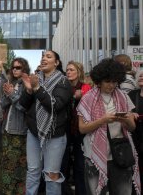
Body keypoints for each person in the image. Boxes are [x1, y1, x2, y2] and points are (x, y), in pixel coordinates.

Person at [77, 58, 140, 195]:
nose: (111, 85)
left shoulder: (123, 97)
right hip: (94, 155)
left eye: (114, 81)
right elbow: (82, 128)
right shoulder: (87, 99)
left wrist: (126, 120)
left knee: (123, 191)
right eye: (107, 81)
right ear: (99, 81)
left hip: (120, 154)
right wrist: (103, 120)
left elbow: (132, 128)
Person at [20, 50, 72, 195]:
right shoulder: (36, 79)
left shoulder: (63, 82)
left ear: (56, 63)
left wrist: (37, 89)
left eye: (48, 57)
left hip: (55, 136)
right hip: (34, 133)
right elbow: (23, 105)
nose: (44, 59)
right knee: (33, 170)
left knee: (51, 175)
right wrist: (29, 90)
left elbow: (55, 106)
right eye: (43, 56)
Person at [0, 58, 30, 195]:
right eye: (13, 67)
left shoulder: (27, 85)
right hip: (7, 129)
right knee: (5, 162)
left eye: (18, 67)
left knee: (17, 165)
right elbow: (3, 105)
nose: (15, 69)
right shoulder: (11, 83)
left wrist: (12, 94)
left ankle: (16, 191)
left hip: (19, 131)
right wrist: (6, 93)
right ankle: (6, 190)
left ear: (24, 69)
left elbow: (22, 107)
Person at [61, 61, 91, 195]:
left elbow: (89, 108)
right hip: (64, 130)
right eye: (67, 70)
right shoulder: (63, 87)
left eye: (71, 70)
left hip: (80, 131)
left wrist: (80, 97)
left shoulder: (85, 88)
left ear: (78, 72)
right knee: (63, 164)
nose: (68, 72)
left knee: (80, 165)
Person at [128, 70, 143, 195]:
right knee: (135, 168)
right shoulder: (133, 94)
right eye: (140, 75)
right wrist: (130, 114)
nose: (141, 77)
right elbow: (126, 111)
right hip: (136, 137)